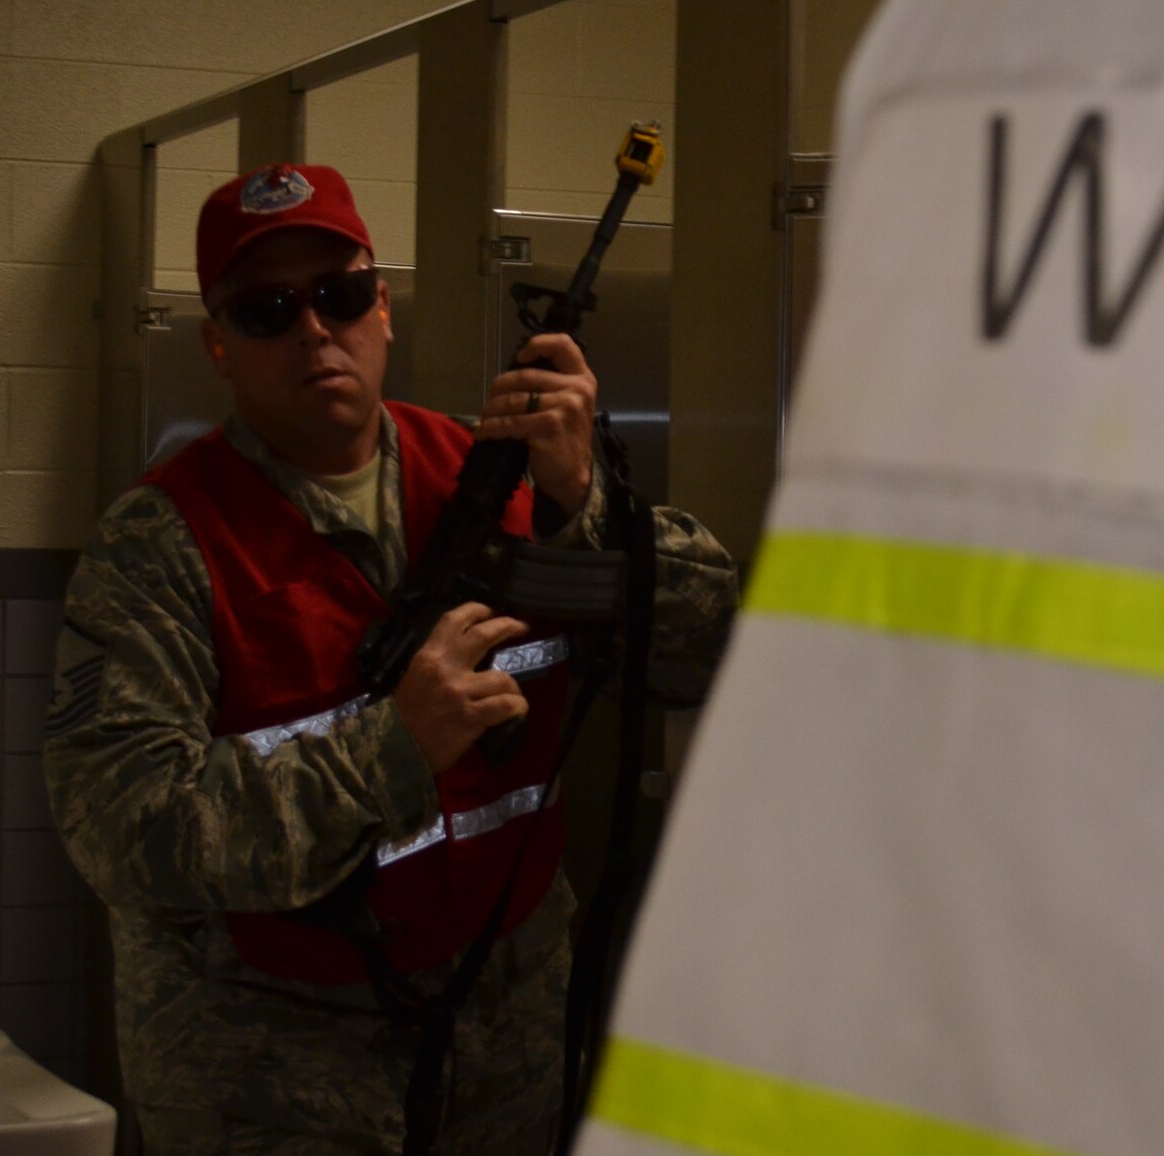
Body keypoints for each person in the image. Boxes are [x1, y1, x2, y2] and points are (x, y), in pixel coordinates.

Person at [44, 163, 738, 1155]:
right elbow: (119, 826)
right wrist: (390, 748)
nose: (314, 331)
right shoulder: (159, 546)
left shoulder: (497, 477)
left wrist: (585, 506)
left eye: (340, 294)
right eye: (267, 309)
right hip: (269, 1060)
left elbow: (711, 655)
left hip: (503, 1038)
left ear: (383, 311)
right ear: (218, 348)